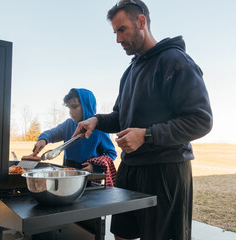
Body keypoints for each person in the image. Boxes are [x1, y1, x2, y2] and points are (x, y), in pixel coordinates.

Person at [72, 1, 213, 239]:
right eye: (115, 32)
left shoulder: (175, 61)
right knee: (122, 235)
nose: (118, 39)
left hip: (165, 171)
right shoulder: (130, 71)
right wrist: (96, 120)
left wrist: (146, 135)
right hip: (130, 169)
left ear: (141, 22)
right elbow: (121, 116)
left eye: (122, 29)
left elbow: (201, 120)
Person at [26, 88, 117, 176]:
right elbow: (52, 133)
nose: (71, 112)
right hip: (67, 173)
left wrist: (95, 167)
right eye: (69, 108)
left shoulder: (99, 129)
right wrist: (43, 139)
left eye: (74, 107)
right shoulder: (68, 124)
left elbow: (111, 153)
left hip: (89, 178)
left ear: (87, 106)